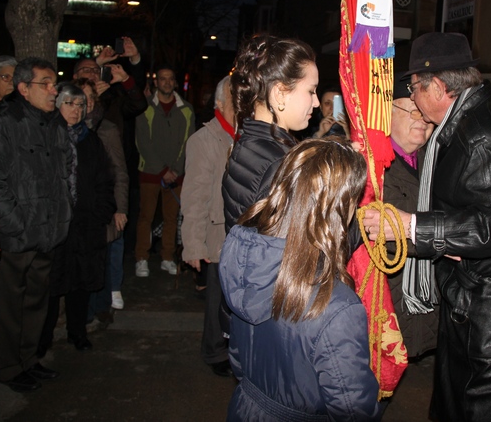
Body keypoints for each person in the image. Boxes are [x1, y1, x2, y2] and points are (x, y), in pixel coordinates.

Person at [365, 32, 491, 421]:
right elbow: (484, 200)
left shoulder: (479, 135)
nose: (414, 101)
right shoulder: (472, 117)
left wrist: (413, 226)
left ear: (436, 87)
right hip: (478, 298)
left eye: (415, 89)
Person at [220, 137, 382, 421]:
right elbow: (353, 409)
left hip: (247, 407)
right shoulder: (337, 308)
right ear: (339, 208)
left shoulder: (246, 262)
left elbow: (237, 358)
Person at [0, 57, 73, 393]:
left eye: (54, 83)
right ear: (23, 88)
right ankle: (9, 368)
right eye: (45, 84)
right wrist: (13, 223)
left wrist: (62, 214)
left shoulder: (54, 122)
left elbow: (65, 171)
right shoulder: (3, 122)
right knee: (8, 308)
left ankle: (29, 360)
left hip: (47, 232)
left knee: (35, 304)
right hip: (16, 236)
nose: (53, 90)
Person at [38, 83, 115, 353]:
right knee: (51, 284)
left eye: (80, 105)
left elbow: (105, 179)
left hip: (85, 223)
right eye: (69, 104)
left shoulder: (90, 140)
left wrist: (101, 212)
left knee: (80, 282)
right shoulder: (46, 136)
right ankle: (42, 339)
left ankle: (77, 331)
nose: (76, 110)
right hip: (55, 225)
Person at [222, 35, 319, 236]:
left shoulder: (246, 141)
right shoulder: (280, 163)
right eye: (311, 91)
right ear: (280, 93)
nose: (316, 102)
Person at [181, 75, 236, 378]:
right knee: (217, 299)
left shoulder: (246, 136)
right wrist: (193, 245)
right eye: (234, 98)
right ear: (219, 103)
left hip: (242, 232)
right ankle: (214, 351)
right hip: (217, 231)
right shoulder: (204, 140)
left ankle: (234, 347)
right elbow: (194, 197)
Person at [384, 73, 439, 359]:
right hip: (389, 297)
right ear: (388, 114)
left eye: (425, 112)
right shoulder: (374, 164)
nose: (423, 119)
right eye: (413, 110)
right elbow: (388, 234)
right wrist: (453, 235)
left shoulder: (438, 160)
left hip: (429, 295)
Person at [75, 79, 129, 315]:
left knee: (102, 260)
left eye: (90, 97)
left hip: (101, 208)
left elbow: (119, 171)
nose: (86, 102)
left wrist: (120, 208)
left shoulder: (106, 130)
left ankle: (99, 310)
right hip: (76, 212)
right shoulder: (64, 129)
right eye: (81, 97)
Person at [134, 66, 194, 277]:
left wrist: (176, 169)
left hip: (176, 175)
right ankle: (141, 258)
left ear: (175, 82)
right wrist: (162, 170)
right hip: (150, 173)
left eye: (170, 79)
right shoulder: (145, 107)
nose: (167, 82)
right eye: (162, 79)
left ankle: (167, 257)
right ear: (156, 82)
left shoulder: (186, 109)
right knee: (146, 217)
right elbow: (142, 142)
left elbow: (189, 142)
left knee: (172, 218)